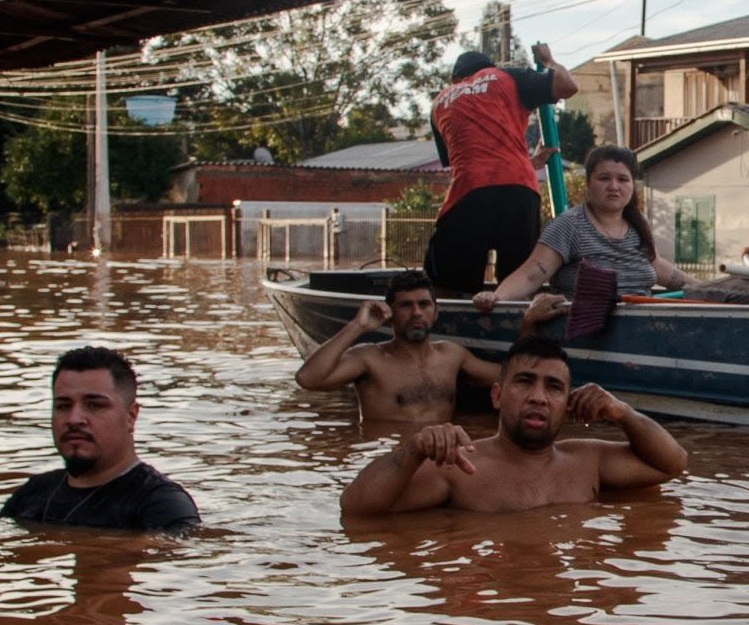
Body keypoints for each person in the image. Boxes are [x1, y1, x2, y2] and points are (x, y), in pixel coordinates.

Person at [340, 335, 689, 514]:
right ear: (497, 396)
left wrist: (623, 412)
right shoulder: (461, 467)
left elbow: (673, 464)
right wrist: (414, 449)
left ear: (567, 404)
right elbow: (357, 508)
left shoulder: (587, 461)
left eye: (553, 387)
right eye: (525, 382)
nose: (538, 396)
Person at [296, 270, 553, 425]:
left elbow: (511, 379)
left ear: (436, 311)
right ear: (391, 313)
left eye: (424, 304)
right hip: (388, 456)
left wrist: (528, 324)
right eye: (406, 306)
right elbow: (308, 379)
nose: (416, 313)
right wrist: (358, 326)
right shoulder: (369, 358)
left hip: (440, 457)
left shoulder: (452, 355)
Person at [423, 44, 576, 295]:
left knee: (448, 277)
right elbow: (567, 86)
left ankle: (448, 320)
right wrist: (548, 60)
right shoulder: (508, 77)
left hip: (469, 191)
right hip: (520, 189)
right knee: (517, 277)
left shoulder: (440, 101)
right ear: (488, 68)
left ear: (455, 79)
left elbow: (474, 159)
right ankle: (514, 322)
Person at [1, 346, 200, 530]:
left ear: (131, 416)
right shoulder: (32, 494)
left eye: (94, 405)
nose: (74, 419)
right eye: (63, 406)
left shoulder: (163, 506)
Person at [474, 146, 695, 311]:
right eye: (604, 178)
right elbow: (532, 274)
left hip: (644, 330)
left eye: (623, 179)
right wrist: (496, 297)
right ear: (588, 183)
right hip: (582, 335)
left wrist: (715, 288)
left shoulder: (639, 226)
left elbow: (658, 267)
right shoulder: (569, 225)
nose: (614, 187)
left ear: (632, 185)